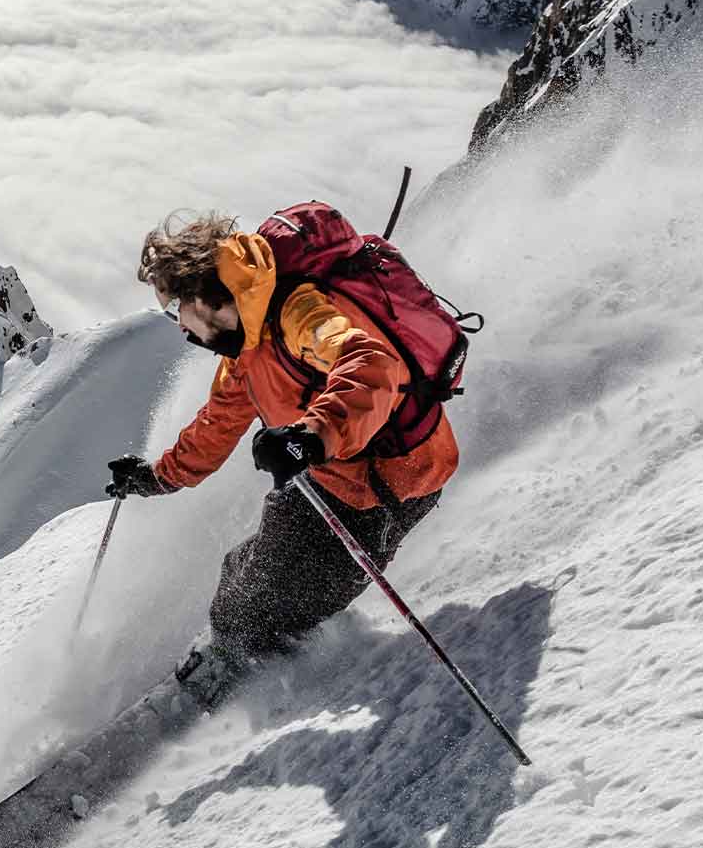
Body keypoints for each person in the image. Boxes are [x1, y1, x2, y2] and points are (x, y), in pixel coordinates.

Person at [108, 209, 461, 693]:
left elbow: (371, 364)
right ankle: (229, 654)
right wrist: (156, 477)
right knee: (241, 576)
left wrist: (311, 435)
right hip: (326, 475)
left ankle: (261, 681)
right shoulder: (247, 344)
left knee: (275, 601)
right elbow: (217, 425)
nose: (180, 327)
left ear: (202, 299)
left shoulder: (299, 312)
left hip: (388, 484)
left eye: (175, 310)